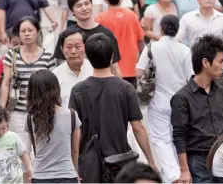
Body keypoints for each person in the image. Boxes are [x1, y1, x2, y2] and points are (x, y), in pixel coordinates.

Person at [68, 33, 157, 182]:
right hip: (121, 163)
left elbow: (75, 133)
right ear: (111, 57)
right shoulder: (125, 88)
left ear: (88, 58)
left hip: (90, 164)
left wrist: (74, 167)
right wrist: (151, 161)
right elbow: (138, 128)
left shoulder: (78, 90)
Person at [137, 15, 193, 182]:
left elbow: (139, 72)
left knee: (161, 139)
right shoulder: (185, 50)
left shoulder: (152, 48)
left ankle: (173, 176)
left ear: (160, 28)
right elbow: (191, 77)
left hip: (158, 101)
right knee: (178, 138)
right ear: (177, 30)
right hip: (181, 102)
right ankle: (178, 172)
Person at [0, 17, 56, 182]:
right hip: (18, 112)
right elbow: (6, 83)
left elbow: (52, 85)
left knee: (42, 153)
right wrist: (2, 110)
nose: (26, 34)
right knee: (21, 154)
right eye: (23, 31)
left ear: (37, 31)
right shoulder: (12, 54)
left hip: (42, 112)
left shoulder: (48, 56)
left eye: (30, 30)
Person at [171, 34, 223, 183]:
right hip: (198, 161)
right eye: (221, 61)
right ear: (205, 62)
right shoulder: (182, 97)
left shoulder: (221, 92)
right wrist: (184, 170)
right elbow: (179, 136)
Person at [26, 70, 81, 183]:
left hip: (40, 176)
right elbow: (75, 150)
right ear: (56, 89)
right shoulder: (71, 115)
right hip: (67, 175)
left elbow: (34, 147)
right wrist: (75, 170)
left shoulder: (30, 118)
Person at [53, 0, 122, 77]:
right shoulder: (67, 36)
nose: (84, 8)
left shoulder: (107, 34)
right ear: (72, 11)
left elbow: (115, 67)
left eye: (87, 3)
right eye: (79, 6)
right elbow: (61, 65)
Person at [177, 0, 223, 80]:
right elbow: (177, 41)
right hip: (194, 67)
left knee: (217, 94)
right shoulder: (187, 18)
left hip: (217, 67)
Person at [96, 0, 144, 87]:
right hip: (131, 68)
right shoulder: (132, 16)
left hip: (109, 70)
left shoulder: (100, 18)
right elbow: (141, 40)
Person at [52, 28, 93, 108]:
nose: (73, 51)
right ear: (62, 49)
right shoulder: (55, 76)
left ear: (86, 47)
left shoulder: (95, 70)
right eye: (69, 47)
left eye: (77, 47)